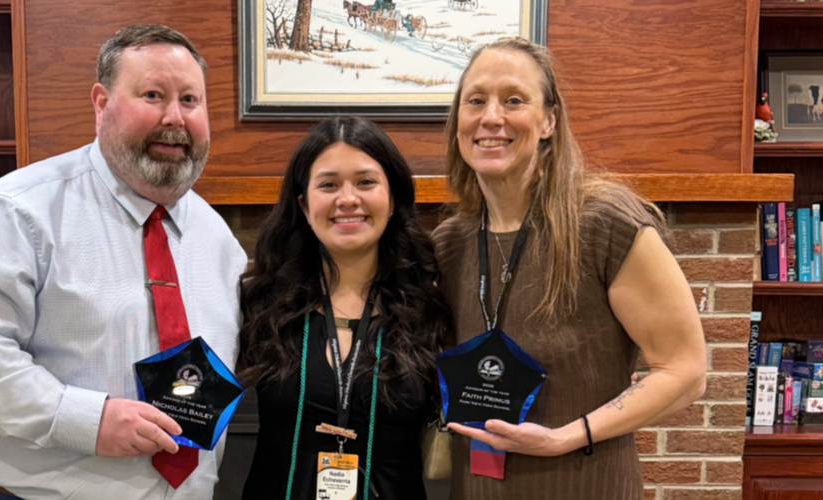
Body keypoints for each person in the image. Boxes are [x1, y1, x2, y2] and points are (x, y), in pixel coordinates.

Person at [0, 25, 247, 500]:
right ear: (100, 102)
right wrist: (85, 421)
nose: (174, 117)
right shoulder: (20, 209)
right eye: (152, 95)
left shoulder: (218, 239)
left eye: (190, 100)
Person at [432, 37, 707, 499]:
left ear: (548, 121)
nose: (491, 117)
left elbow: (685, 373)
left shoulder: (605, 225)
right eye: (475, 100)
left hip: (585, 484)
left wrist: (563, 438)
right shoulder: (449, 244)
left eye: (514, 100)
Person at [238, 116, 451, 500]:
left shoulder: (431, 304)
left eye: (366, 182)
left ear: (393, 199)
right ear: (304, 204)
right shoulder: (260, 300)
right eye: (329, 184)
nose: (348, 198)